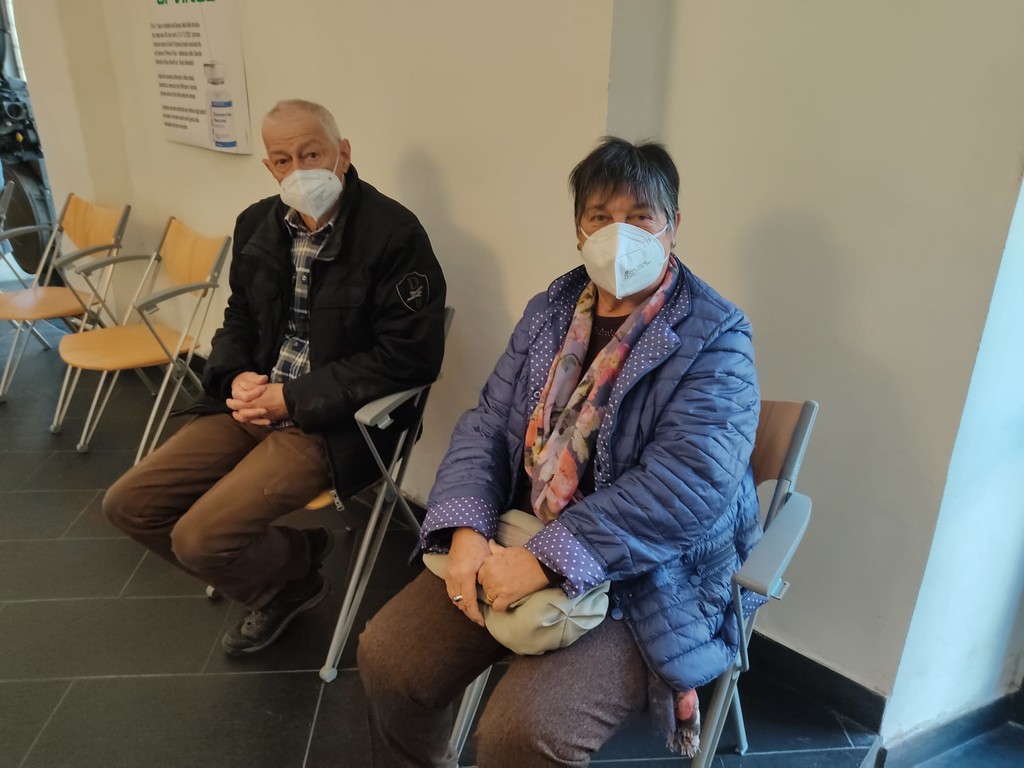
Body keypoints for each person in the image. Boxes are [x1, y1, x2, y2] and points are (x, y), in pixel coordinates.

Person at [358, 137, 760, 766]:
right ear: (579, 231)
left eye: (641, 217)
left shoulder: (717, 337)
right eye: (601, 216)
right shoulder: (550, 310)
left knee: (521, 733)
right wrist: (465, 529)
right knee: (389, 659)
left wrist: (548, 559)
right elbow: (488, 425)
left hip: (650, 576)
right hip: (520, 532)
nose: (619, 234)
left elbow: (687, 483)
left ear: (674, 226)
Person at [104, 99, 447, 656]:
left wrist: (294, 398)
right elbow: (240, 315)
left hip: (332, 423)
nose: (299, 169)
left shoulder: (394, 234)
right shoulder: (258, 224)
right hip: (254, 402)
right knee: (129, 504)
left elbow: (410, 357)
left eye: (312, 153)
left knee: (198, 539)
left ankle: (286, 581)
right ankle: (292, 566)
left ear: (343, 153)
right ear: (270, 167)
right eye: (284, 160)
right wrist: (233, 374)